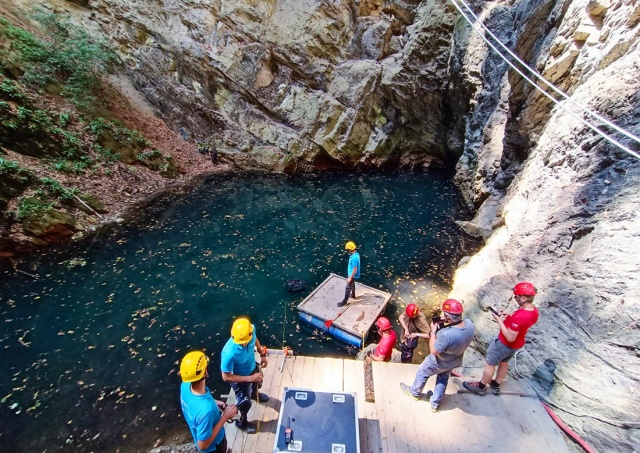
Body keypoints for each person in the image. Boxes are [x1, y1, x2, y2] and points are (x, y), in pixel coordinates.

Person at [463, 282, 539, 396]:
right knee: (504, 361)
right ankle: (496, 384)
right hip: (517, 344)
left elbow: (510, 337)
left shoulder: (519, 316)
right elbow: (521, 322)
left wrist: (499, 320)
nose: (515, 298)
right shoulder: (534, 311)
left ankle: (481, 386)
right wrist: (509, 316)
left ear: (523, 298)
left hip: (504, 344)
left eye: (516, 297)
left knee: (490, 363)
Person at [399, 299, 475, 412]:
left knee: (422, 371)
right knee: (443, 378)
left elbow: (434, 350)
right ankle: (434, 403)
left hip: (440, 361)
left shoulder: (445, 334)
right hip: (455, 360)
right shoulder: (469, 324)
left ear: (448, 316)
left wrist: (434, 332)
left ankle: (414, 392)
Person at [179, 350, 238, 453]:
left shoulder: (185, 386)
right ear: (205, 372)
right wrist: (225, 417)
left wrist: (215, 402)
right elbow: (203, 446)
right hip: (214, 447)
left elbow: (196, 401)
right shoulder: (206, 410)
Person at [220, 318, 269, 434]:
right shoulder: (228, 353)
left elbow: (255, 339)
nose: (244, 344)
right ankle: (241, 423)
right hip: (240, 379)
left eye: (246, 340)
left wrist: (262, 354)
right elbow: (226, 377)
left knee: (257, 385)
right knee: (244, 402)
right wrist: (250, 379)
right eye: (241, 342)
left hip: (252, 368)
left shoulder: (251, 330)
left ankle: (253, 393)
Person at [337, 241, 360, 307]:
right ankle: (353, 294)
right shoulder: (356, 254)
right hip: (352, 274)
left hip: (351, 274)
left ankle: (344, 302)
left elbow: (355, 268)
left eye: (347, 250)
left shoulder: (354, 258)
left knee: (348, 288)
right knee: (353, 284)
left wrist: (350, 277)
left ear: (350, 250)